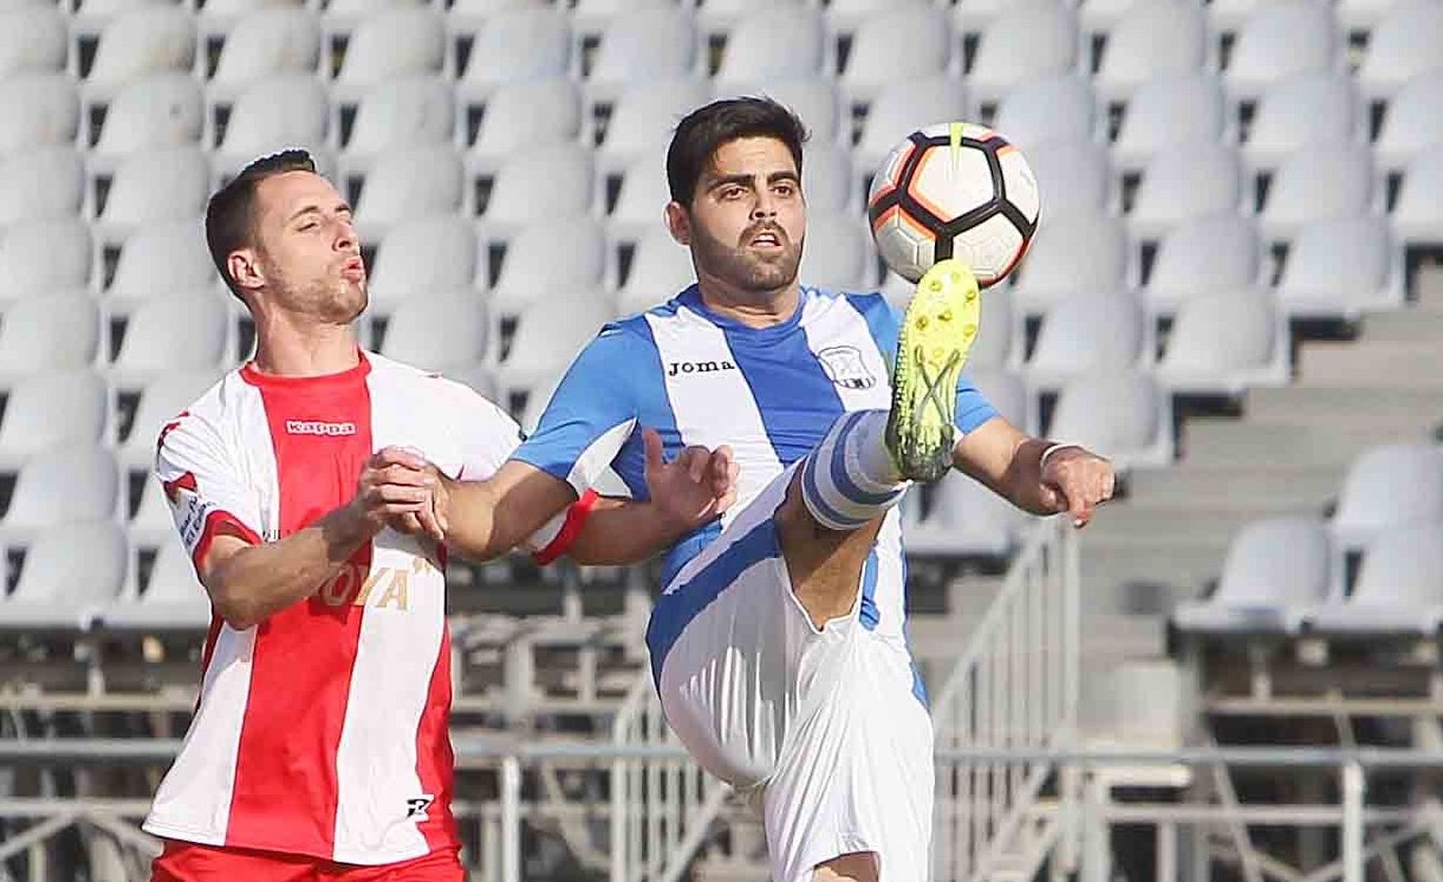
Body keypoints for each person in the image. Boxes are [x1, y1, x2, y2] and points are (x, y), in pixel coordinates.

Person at [396, 98, 1118, 882]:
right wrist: (434, 494)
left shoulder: (874, 327)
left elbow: (1012, 461)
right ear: (680, 222)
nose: (765, 207)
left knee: (861, 860)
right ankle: (888, 446)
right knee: (831, 468)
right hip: (719, 647)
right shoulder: (634, 354)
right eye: (734, 190)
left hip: (864, 665)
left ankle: (887, 448)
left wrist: (1060, 458)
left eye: (783, 186)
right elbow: (498, 517)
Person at [143, 150, 587, 881]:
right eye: (310, 224)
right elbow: (236, 588)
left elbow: (575, 524)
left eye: (343, 217)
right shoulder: (205, 430)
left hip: (400, 835)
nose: (344, 234)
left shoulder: (439, 406)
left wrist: (672, 507)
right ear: (248, 268)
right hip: (233, 835)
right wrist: (357, 517)